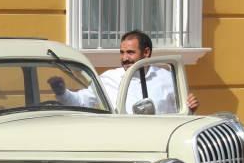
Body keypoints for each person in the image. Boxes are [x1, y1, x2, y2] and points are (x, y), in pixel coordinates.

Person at [48, 30, 200, 114]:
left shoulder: (167, 78)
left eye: (130, 52)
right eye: (122, 52)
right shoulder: (109, 78)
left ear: (146, 52)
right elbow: (82, 101)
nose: (124, 58)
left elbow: (181, 114)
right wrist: (61, 92)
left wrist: (190, 109)